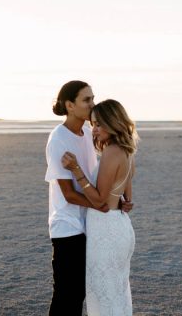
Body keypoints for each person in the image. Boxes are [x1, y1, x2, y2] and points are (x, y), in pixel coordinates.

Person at [44, 81, 133, 316]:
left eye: (93, 98)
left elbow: (103, 178)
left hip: (91, 226)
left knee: (85, 292)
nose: (92, 104)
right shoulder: (58, 139)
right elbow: (69, 193)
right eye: (87, 100)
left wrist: (117, 198)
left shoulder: (87, 133)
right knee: (67, 294)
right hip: (68, 227)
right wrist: (103, 204)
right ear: (70, 105)